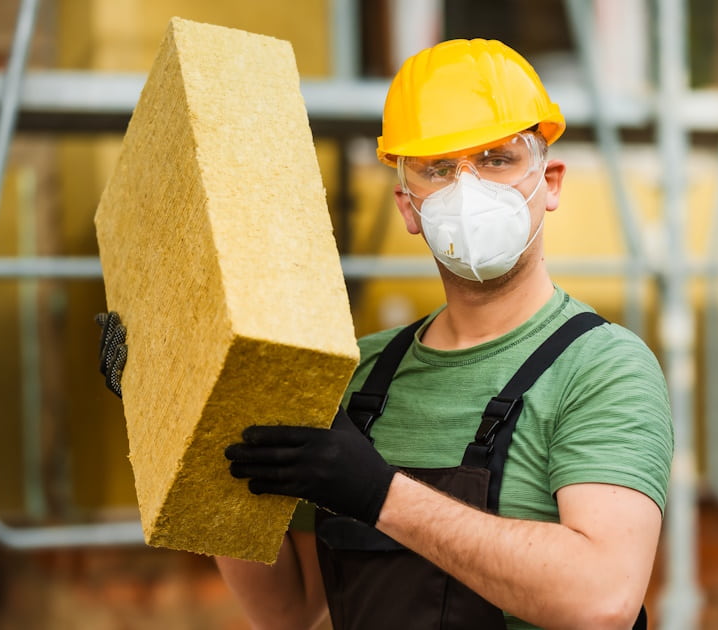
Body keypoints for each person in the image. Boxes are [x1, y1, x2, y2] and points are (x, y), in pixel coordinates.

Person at [98, 38, 673, 630]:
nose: (468, 190)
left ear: (549, 182)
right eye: (439, 170)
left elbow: (601, 601)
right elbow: (290, 612)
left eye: (498, 159)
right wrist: (178, 409)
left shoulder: (602, 367)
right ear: (408, 205)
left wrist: (378, 493)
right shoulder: (356, 374)